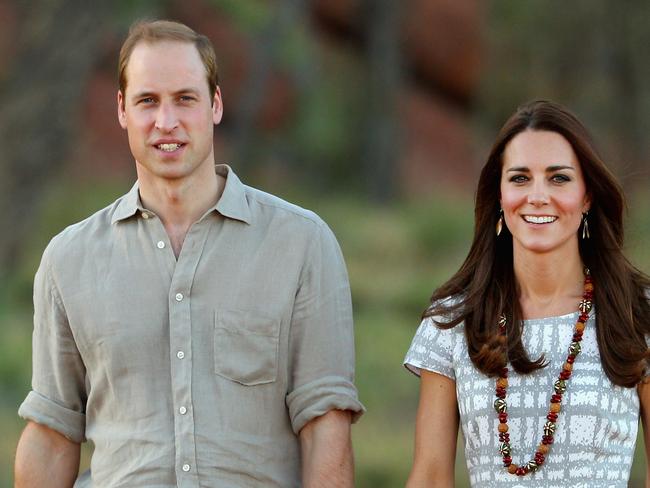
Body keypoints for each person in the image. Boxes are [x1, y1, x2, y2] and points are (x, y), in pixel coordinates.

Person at [14, 19, 364, 488]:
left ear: (215, 104)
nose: (166, 122)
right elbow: (52, 432)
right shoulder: (68, 260)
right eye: (147, 101)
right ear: (121, 109)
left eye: (185, 98)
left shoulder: (301, 244)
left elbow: (326, 426)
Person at [403, 100, 650, 487]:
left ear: (587, 196)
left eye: (559, 178)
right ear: (499, 196)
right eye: (520, 178)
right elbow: (431, 475)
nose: (537, 196)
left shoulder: (639, 314)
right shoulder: (452, 320)